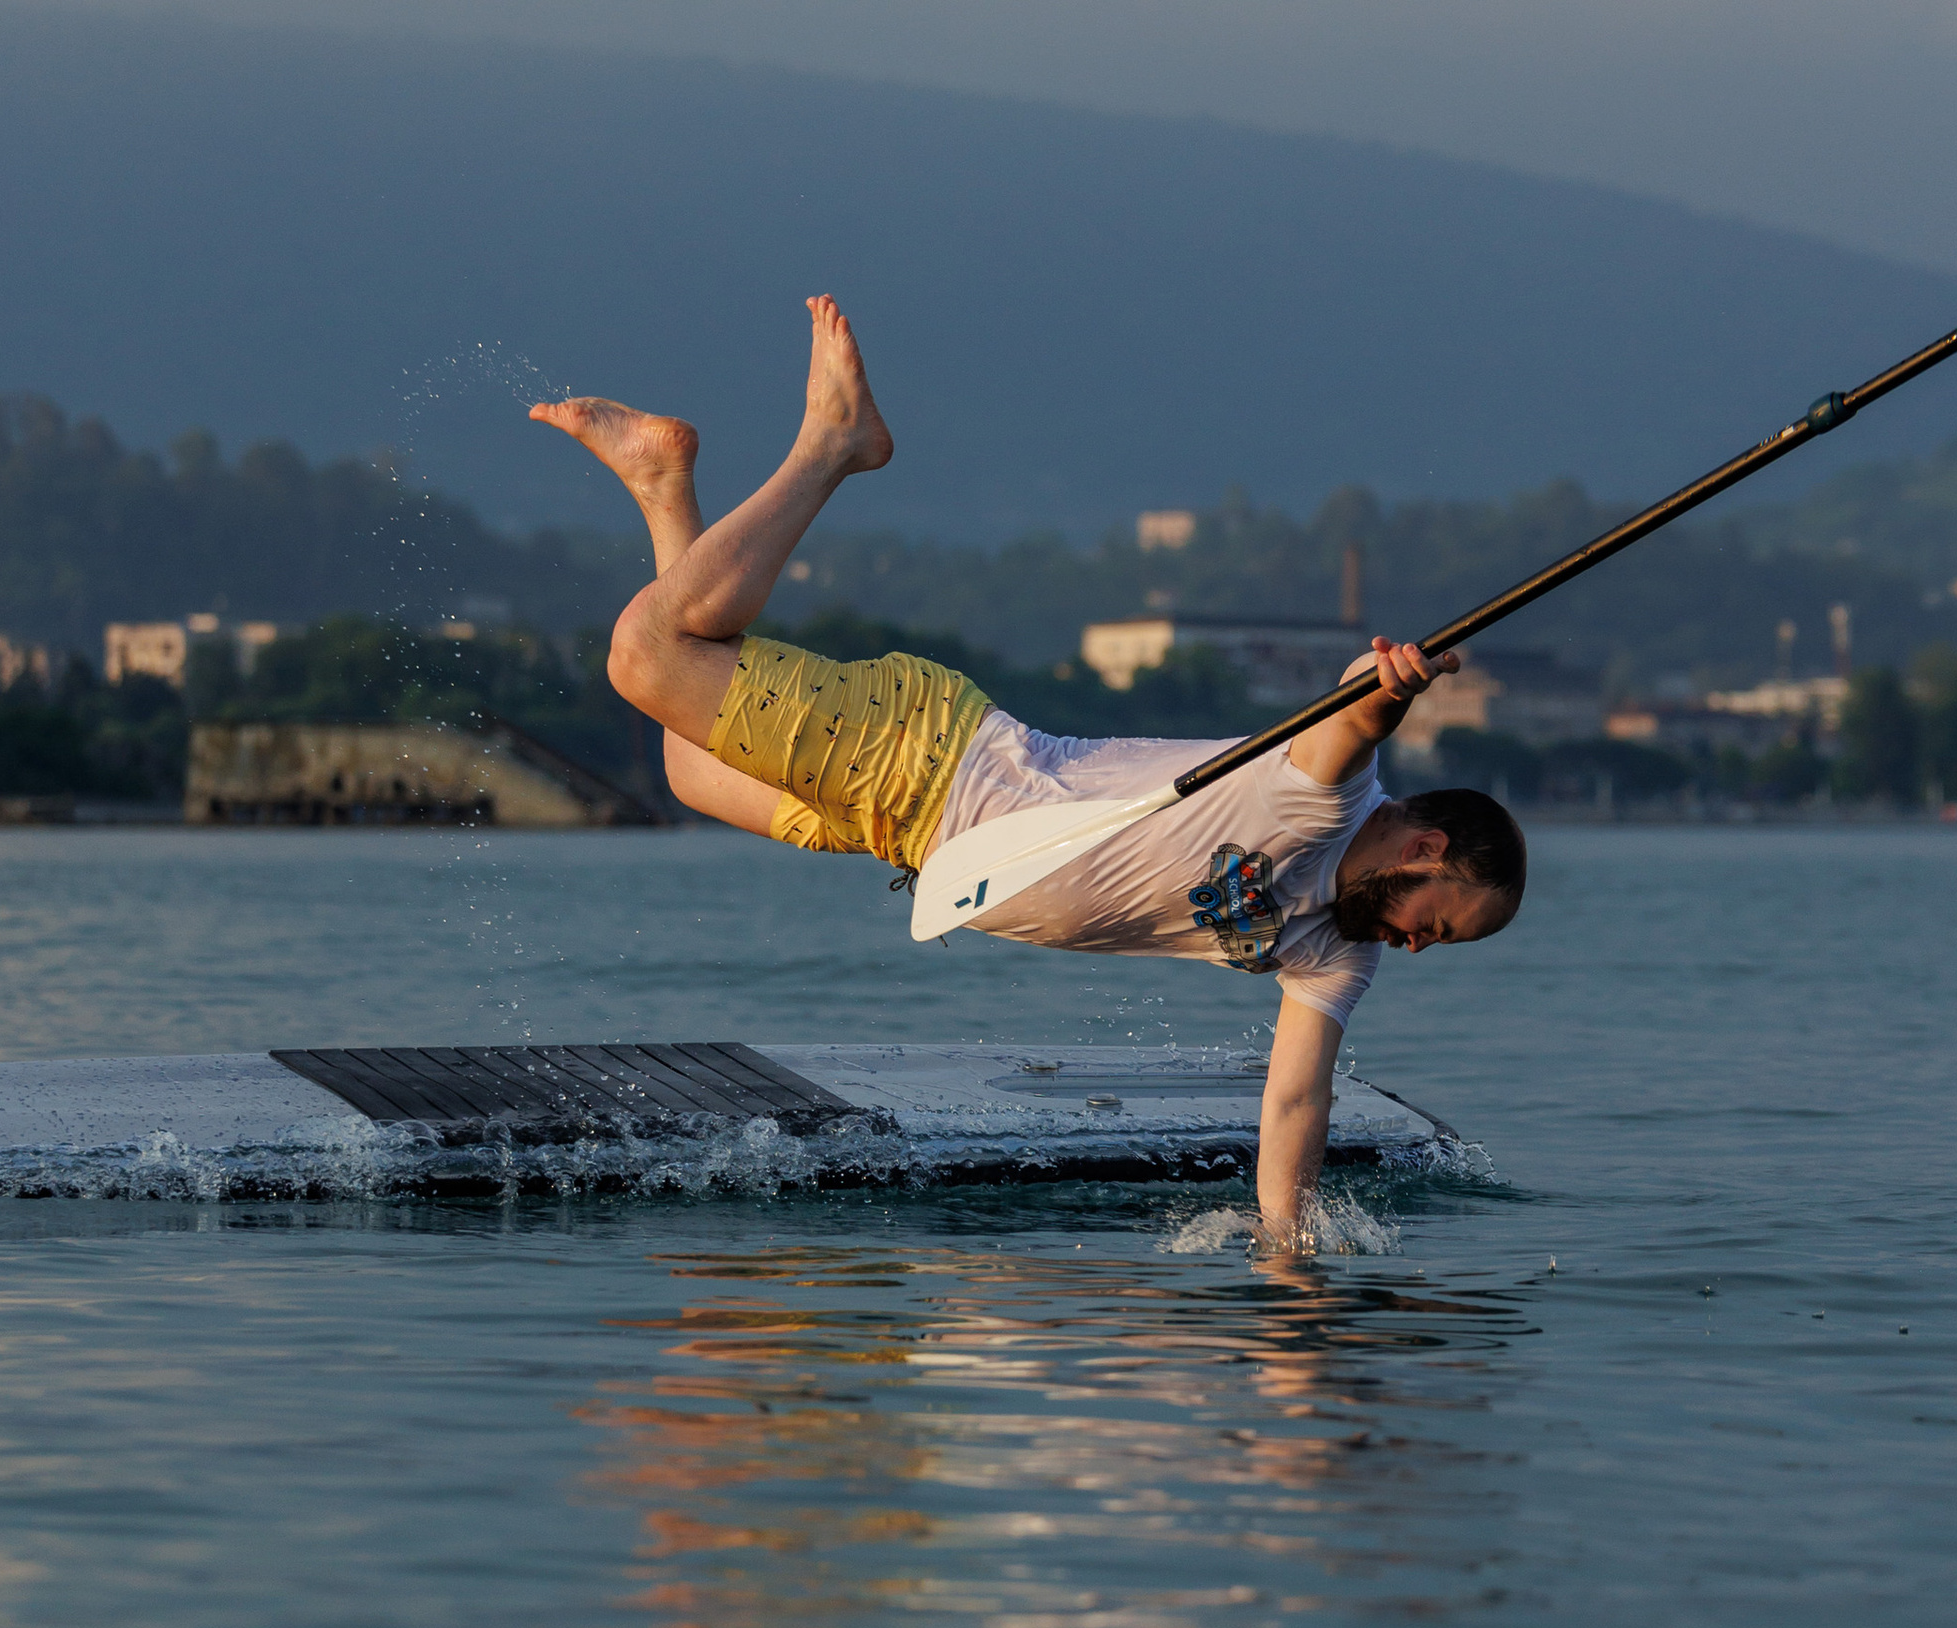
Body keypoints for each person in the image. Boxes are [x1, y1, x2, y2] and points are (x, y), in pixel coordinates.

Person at [535, 296, 1525, 1229]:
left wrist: (1287, 1251)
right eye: (1433, 923)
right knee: (648, 657)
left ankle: (665, 482)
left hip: (911, 837)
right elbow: (1347, 718)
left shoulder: (1333, 950)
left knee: (687, 765)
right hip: (927, 759)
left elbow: (1296, 1100)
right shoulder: (1321, 801)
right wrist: (1389, 683)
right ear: (1424, 846)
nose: (1416, 947)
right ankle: (832, 445)